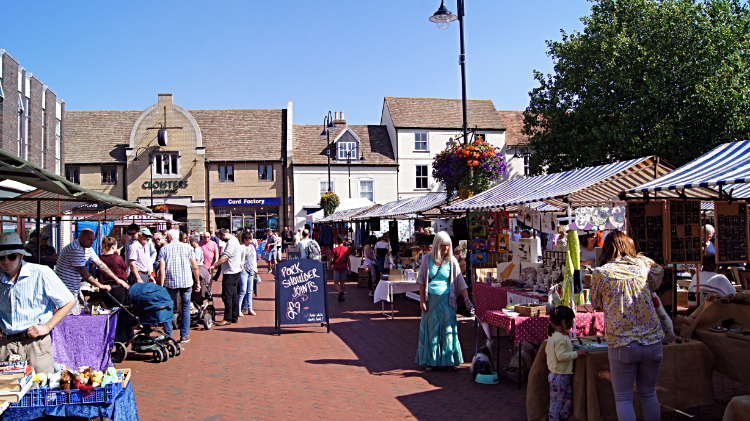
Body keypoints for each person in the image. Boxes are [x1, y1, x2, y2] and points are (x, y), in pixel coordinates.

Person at [590, 231, 664, 421]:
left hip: (622, 342)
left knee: (623, 399)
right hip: (652, 339)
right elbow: (657, 277)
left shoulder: (601, 273)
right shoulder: (644, 265)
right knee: (649, 394)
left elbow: (595, 304)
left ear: (606, 249)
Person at [0, 232, 75, 374]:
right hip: (6, 345)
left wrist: (47, 327)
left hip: (35, 344)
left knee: (40, 388)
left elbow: (68, 301)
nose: (6, 261)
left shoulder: (40, 273)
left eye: (11, 256)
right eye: (1, 257)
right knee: (8, 391)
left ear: (21, 255)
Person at [415, 231, 472, 371]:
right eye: (442, 246)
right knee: (431, 330)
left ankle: (449, 360)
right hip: (431, 301)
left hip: (447, 301)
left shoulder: (452, 261)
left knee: (448, 329)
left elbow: (460, 281)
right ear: (436, 245)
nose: (445, 249)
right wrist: (422, 300)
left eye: (447, 246)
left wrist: (467, 300)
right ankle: (431, 360)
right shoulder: (426, 260)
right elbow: (421, 281)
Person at [158, 229, 201, 343]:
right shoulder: (188, 248)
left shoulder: (164, 249)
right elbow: (195, 267)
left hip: (170, 282)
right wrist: (197, 281)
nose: (166, 238)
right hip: (186, 281)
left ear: (170, 238)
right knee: (186, 307)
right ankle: (184, 335)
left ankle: (169, 335)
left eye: (167, 236)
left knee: (169, 308)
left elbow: (162, 270)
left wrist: (160, 286)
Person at [546, 305, 587, 421]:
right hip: (560, 376)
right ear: (564, 322)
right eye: (571, 321)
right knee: (556, 405)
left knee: (570, 397)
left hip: (558, 375)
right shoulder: (560, 338)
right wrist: (577, 354)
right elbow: (561, 356)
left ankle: (563, 415)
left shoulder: (556, 336)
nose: (572, 323)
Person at [56, 228, 118, 297]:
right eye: (89, 239)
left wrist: (117, 279)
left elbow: (100, 265)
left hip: (74, 287)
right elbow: (84, 274)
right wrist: (100, 285)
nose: (92, 242)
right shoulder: (75, 249)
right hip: (65, 287)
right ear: (81, 237)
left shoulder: (88, 248)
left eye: (93, 240)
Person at [210, 229, 245, 326]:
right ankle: (234, 316)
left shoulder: (231, 242)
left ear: (224, 234)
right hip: (235, 271)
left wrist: (215, 265)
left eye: (221, 237)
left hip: (231, 272)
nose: (221, 239)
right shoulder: (235, 240)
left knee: (227, 295)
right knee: (233, 295)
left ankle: (227, 318)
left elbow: (226, 256)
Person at [98, 236, 130, 308]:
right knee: (119, 310)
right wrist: (118, 255)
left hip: (105, 289)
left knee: (108, 309)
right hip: (117, 287)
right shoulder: (117, 258)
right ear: (113, 246)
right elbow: (124, 267)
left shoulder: (101, 258)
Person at [239, 232, 257, 316]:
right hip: (244, 271)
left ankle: (250, 308)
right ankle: (238, 309)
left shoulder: (252, 247)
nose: (251, 241)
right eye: (249, 239)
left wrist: (255, 268)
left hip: (251, 271)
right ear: (245, 240)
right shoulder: (241, 247)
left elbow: (254, 258)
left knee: (250, 291)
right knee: (243, 290)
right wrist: (241, 268)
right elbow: (238, 259)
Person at [332, 235, 351, 302]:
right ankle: (343, 296)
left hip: (337, 266)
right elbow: (348, 259)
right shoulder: (346, 249)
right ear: (343, 241)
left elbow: (332, 259)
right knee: (342, 281)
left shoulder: (335, 249)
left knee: (335, 282)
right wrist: (350, 269)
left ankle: (340, 291)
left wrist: (329, 266)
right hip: (344, 266)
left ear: (337, 242)